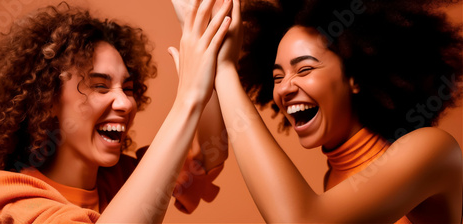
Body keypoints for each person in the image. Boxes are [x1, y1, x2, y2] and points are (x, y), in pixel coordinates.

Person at [172, 0, 463, 222]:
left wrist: (224, 68)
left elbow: (302, 219)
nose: (285, 88)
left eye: (305, 68)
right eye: (277, 76)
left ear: (355, 77)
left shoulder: (433, 150)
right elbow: (211, 157)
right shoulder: (333, 175)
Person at [0, 1, 232, 223]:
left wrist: (199, 29)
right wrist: (187, 100)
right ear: (48, 97)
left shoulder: (123, 176)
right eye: (100, 86)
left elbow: (206, 156)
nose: (125, 103)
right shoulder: (7, 196)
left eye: (128, 88)